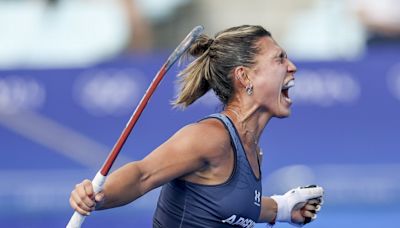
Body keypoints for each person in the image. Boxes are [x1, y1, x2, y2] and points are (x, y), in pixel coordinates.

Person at [69, 25, 324, 227]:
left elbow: (234, 207)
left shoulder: (252, 150)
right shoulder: (210, 138)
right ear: (245, 76)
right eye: (280, 59)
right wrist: (96, 197)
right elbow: (142, 175)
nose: (292, 67)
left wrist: (283, 208)